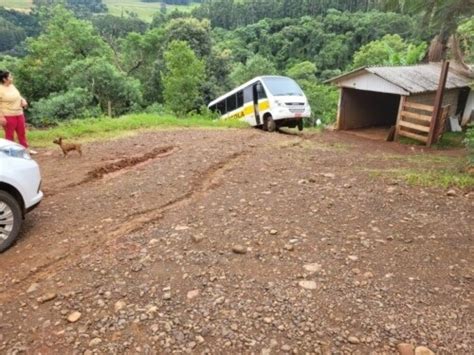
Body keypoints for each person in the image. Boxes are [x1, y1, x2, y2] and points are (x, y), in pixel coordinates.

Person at [0, 70, 36, 154]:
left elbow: (18, 96)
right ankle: (10, 152)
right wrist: (1, 117)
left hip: (19, 113)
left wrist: (23, 100)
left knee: (22, 133)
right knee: (10, 135)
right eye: (10, 76)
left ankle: (26, 150)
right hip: (8, 115)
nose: (12, 78)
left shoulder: (12, 86)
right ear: (4, 79)